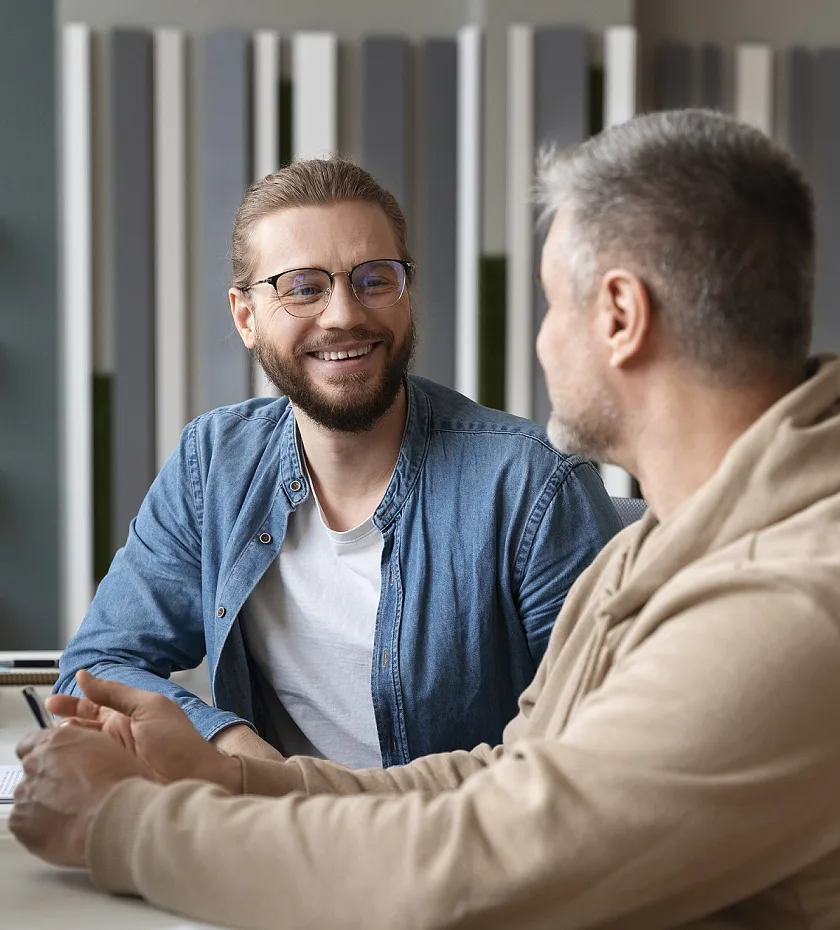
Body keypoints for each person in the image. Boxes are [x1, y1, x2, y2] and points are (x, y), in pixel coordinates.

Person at [15, 108, 840, 929]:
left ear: (619, 316)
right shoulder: (668, 546)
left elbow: (479, 863)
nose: (545, 340)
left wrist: (116, 824)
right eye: (304, 287)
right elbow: (507, 776)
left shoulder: (788, 606)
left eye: (553, 303)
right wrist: (232, 776)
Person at [55, 158, 620, 769]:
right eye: (302, 287)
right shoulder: (214, 465)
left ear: (408, 294)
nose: (345, 314)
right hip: (270, 844)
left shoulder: (531, 486)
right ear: (245, 317)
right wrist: (228, 743)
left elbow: (600, 751)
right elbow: (95, 669)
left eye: (374, 279)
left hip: (452, 849)